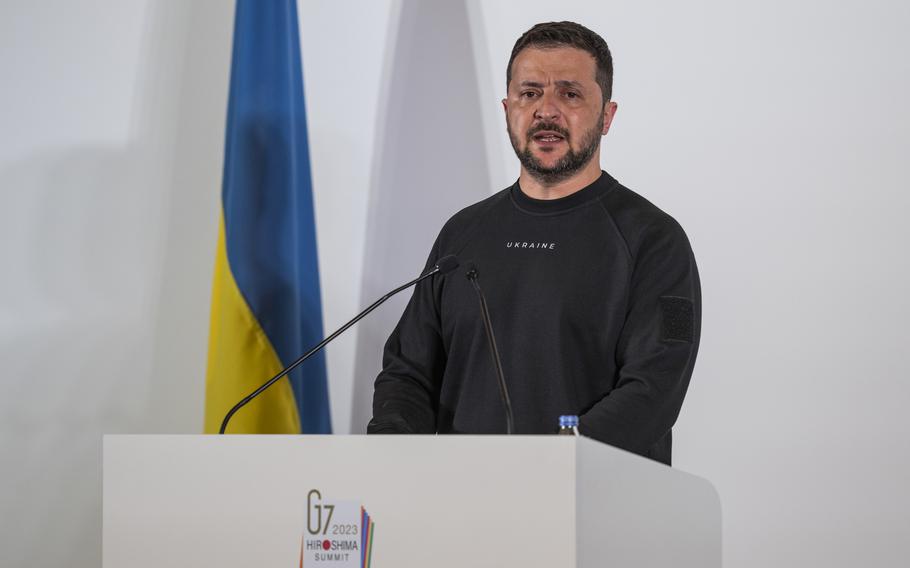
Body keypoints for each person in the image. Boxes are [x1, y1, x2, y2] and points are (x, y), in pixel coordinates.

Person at [367, 21, 700, 466]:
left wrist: (549, 465)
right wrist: (391, 452)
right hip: (459, 510)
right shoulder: (461, 234)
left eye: (570, 93)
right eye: (529, 93)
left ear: (607, 115)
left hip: (593, 510)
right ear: (508, 109)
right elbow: (408, 372)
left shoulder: (654, 241)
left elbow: (654, 390)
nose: (547, 110)